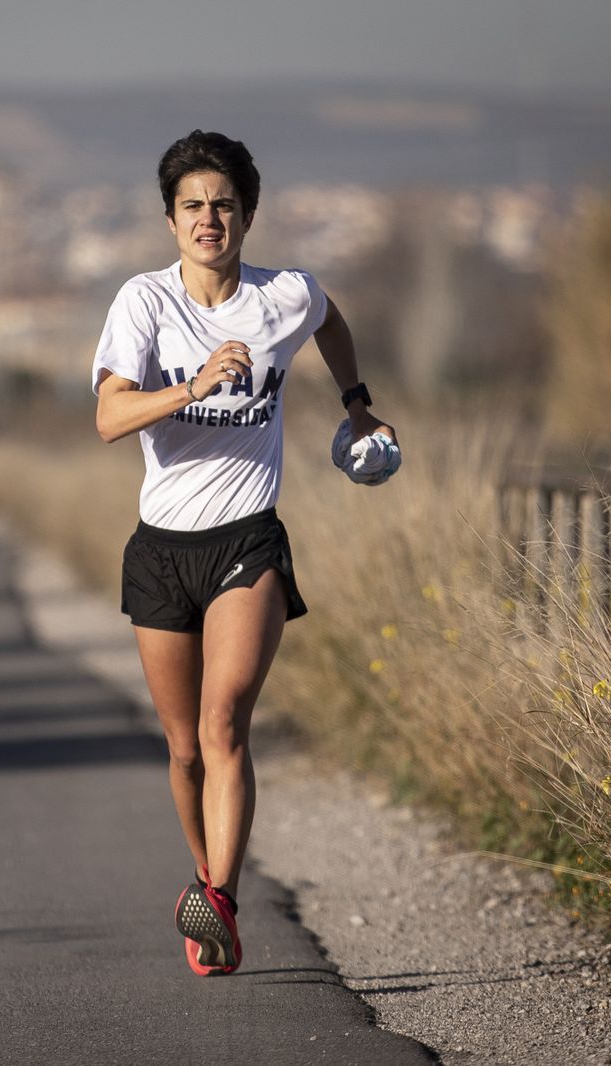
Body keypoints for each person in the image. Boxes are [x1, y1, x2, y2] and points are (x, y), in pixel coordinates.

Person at [92, 130, 396, 976]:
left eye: (224, 205)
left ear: (248, 216)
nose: (209, 219)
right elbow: (110, 418)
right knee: (184, 747)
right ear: (170, 221)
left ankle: (220, 900)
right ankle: (207, 880)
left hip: (247, 539)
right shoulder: (144, 303)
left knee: (224, 722)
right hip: (160, 551)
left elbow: (329, 318)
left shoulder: (283, 296)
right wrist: (191, 387)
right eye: (192, 205)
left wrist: (357, 403)